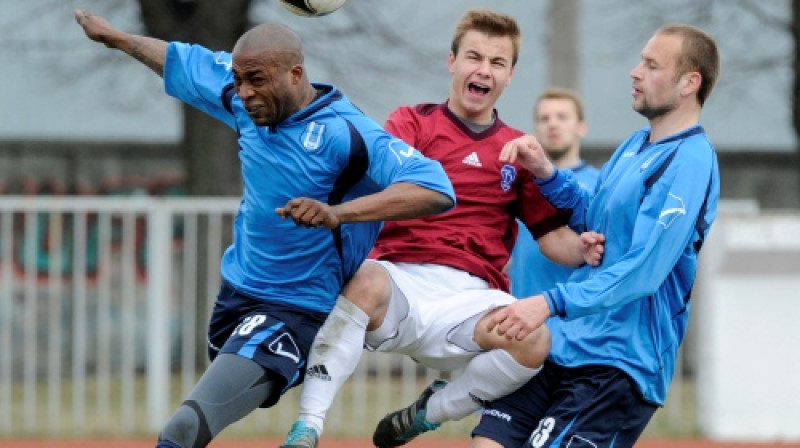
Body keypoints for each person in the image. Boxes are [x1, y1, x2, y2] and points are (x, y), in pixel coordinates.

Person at [74, 9, 458, 448]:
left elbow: (435, 188)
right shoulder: (242, 97)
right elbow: (179, 59)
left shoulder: (346, 134)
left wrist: (339, 214)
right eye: (238, 80)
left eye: (256, 80)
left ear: (295, 74)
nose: (244, 92)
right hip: (235, 298)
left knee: (182, 431)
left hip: (293, 312)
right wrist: (115, 38)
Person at [280, 9, 603, 448]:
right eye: (474, 57)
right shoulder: (412, 124)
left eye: (497, 62)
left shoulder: (517, 150)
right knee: (364, 279)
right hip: (401, 284)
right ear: (452, 62)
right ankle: (308, 427)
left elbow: (551, 240)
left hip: (472, 299)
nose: (483, 70)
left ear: (509, 76)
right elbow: (381, 182)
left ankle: (429, 412)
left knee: (534, 339)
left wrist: (583, 251)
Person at [473, 23, 721, 448]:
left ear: (688, 83)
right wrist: (547, 173)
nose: (634, 72)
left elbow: (643, 270)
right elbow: (593, 219)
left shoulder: (691, 160)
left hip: (620, 364)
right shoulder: (635, 144)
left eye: (650, 64)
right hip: (567, 347)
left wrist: (550, 302)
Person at [508, 87, 600, 298]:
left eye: (562, 117)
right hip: (524, 315)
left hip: (577, 317)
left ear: (582, 127)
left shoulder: (601, 185)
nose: (552, 124)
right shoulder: (521, 184)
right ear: (535, 129)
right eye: (544, 118)